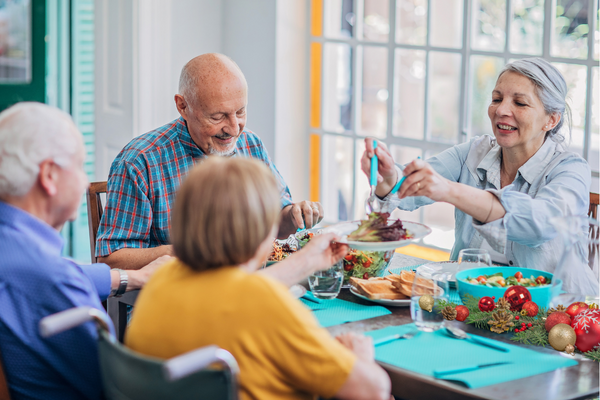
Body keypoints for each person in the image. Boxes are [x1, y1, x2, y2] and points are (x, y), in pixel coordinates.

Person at [125, 156, 391, 400]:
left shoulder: (162, 278)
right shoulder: (265, 305)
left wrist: (308, 260)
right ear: (264, 232)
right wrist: (361, 358)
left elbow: (234, 292)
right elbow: (374, 390)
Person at [362, 58, 596, 295]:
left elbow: (539, 225)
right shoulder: (474, 152)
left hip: (559, 314)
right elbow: (406, 188)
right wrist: (389, 175)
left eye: (520, 103)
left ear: (551, 119)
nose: (502, 110)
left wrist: (450, 190)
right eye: (496, 99)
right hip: (469, 303)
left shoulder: (570, 169)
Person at [0, 102, 170, 400]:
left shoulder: (22, 259)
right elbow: (117, 388)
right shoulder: (51, 280)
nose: (84, 181)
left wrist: (128, 277)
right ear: (49, 176)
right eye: (79, 166)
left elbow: (49, 279)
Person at [96, 53, 323, 271]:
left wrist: (295, 216)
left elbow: (277, 224)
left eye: (241, 112)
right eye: (218, 117)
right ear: (183, 106)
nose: (234, 129)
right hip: (172, 298)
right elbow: (111, 260)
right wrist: (193, 253)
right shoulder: (139, 161)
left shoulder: (251, 144)